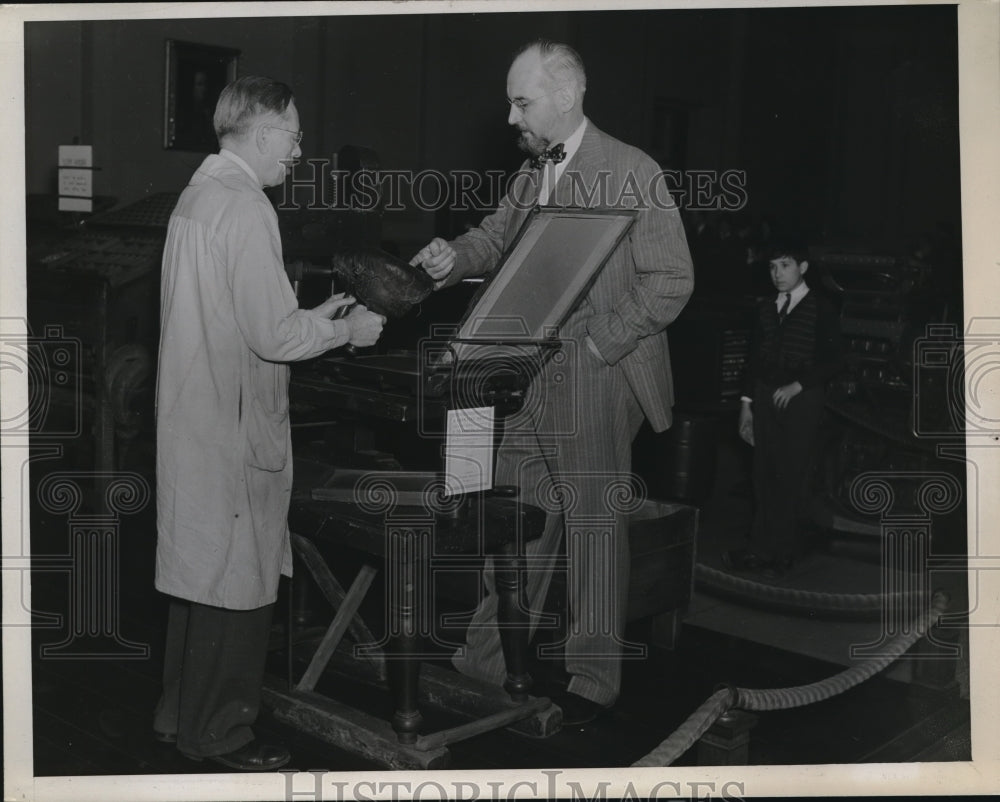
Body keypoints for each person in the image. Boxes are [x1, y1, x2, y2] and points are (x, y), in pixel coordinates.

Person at [411, 40, 694, 725]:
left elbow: (672, 279)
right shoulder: (532, 171)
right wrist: (453, 258)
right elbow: (493, 240)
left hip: (595, 372)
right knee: (514, 522)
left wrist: (602, 343)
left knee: (593, 524)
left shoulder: (633, 170)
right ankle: (486, 662)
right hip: (524, 373)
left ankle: (593, 679)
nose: (512, 117)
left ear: (567, 96)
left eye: (522, 102)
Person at [153, 75, 385, 770]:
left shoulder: (198, 197)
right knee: (237, 581)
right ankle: (219, 733)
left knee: (199, 576)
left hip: (197, 414)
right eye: (294, 137)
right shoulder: (248, 207)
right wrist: (345, 332)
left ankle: (178, 716)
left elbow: (242, 314)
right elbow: (273, 337)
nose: (299, 152)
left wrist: (309, 315)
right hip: (231, 425)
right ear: (261, 133)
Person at [724, 238, 842, 579]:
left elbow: (835, 360)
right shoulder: (765, 308)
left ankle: (782, 552)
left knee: (791, 475)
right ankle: (760, 549)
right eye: (773, 267)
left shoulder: (822, 308)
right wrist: (746, 406)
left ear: (803, 267)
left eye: (785, 265)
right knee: (763, 474)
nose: (777, 273)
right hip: (764, 396)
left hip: (802, 399)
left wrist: (798, 385)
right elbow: (753, 361)